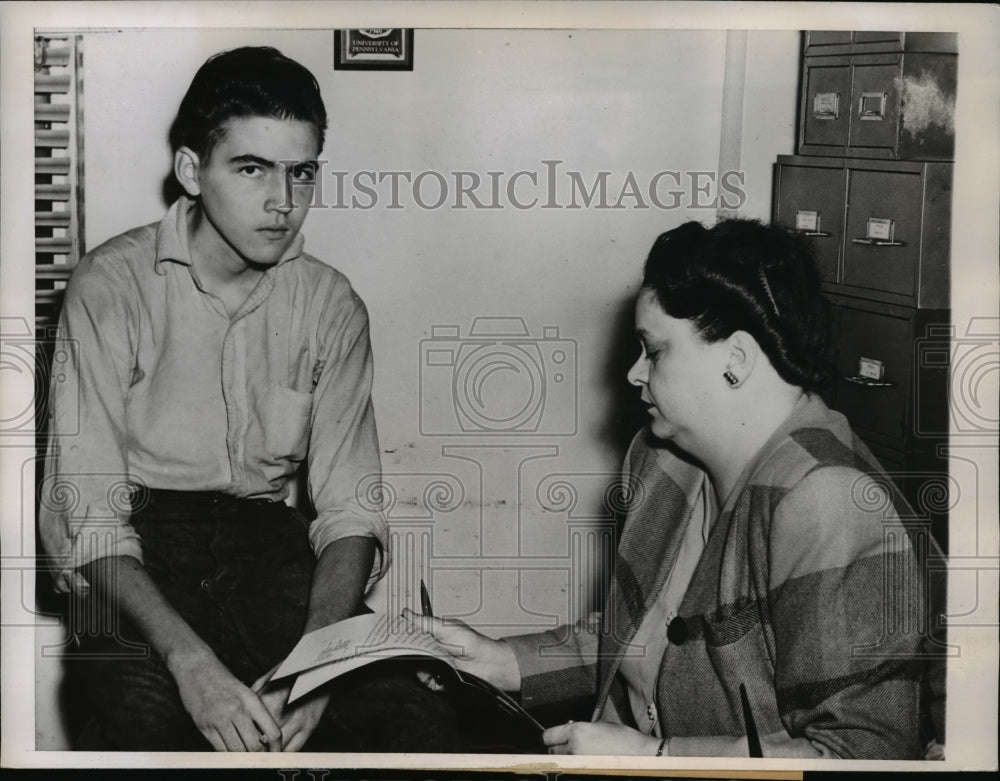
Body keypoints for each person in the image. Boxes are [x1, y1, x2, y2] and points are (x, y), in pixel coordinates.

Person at [39, 46, 458, 752]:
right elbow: (94, 519)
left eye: (301, 173)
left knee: (414, 720)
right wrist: (190, 662)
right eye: (251, 168)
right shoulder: (110, 285)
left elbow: (351, 509)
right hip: (140, 549)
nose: (282, 202)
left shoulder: (330, 304)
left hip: (269, 541)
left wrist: (318, 668)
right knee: (147, 723)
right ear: (192, 172)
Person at [407, 218, 947, 759]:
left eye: (655, 351)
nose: (633, 374)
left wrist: (653, 759)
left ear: (735, 361)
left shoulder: (825, 500)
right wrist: (498, 661)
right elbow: (638, 637)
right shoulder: (663, 459)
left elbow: (861, 754)